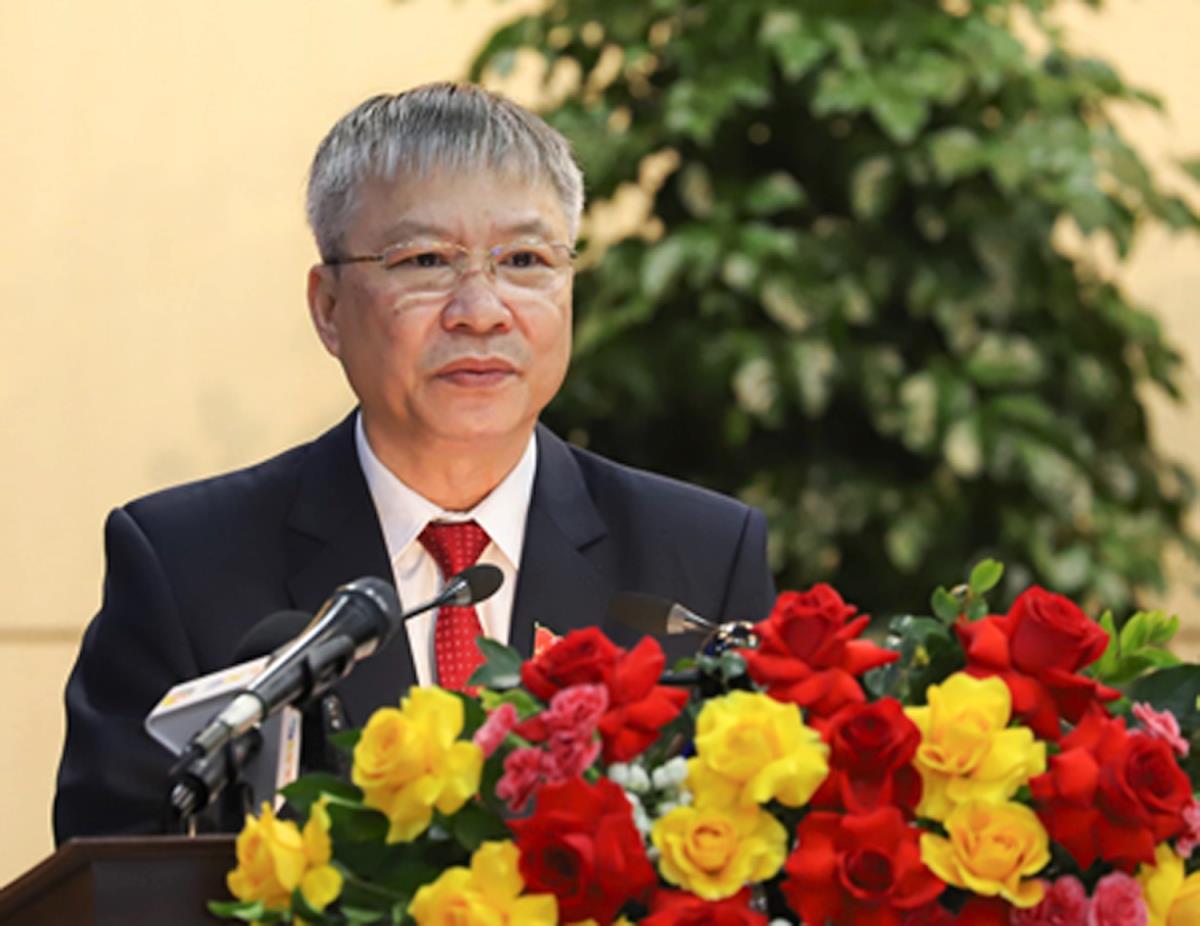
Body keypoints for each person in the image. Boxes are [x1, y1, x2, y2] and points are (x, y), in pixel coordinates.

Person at [53, 83, 774, 843]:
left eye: (525, 260)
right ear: (329, 308)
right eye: (426, 260)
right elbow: (113, 877)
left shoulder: (699, 560)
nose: (481, 311)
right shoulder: (183, 566)